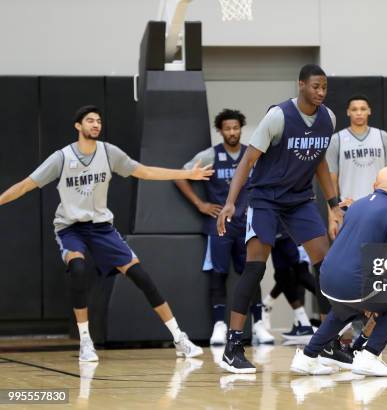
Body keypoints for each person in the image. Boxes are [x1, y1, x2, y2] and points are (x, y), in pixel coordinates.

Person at [0, 105, 212, 362]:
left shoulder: (109, 153)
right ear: (78, 126)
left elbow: (144, 171)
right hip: (71, 227)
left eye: (99, 121)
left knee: (142, 278)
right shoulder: (62, 158)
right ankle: (85, 342)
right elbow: (25, 185)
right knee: (78, 269)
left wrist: (187, 173)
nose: (96, 125)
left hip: (101, 228)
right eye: (90, 121)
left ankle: (180, 338)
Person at [216, 64, 348, 374]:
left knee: (325, 265)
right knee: (256, 267)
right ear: (301, 85)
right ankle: (233, 346)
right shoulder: (278, 116)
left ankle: (328, 342)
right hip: (265, 199)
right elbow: (248, 161)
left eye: (325, 87)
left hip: (300, 200)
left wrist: (333, 204)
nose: (321, 92)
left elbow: (320, 165)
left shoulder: (327, 119)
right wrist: (230, 203)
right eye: (315, 86)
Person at [290, 168, 387, 376]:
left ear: (374, 186)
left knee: (342, 310)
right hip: (355, 283)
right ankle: (370, 355)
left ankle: (308, 356)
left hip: (327, 279)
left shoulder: (356, 207)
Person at [174, 108, 274, 346]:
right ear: (220, 131)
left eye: (236, 128)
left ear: (241, 129)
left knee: (253, 272)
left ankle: (258, 324)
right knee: (218, 273)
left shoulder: (251, 154)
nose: (232, 132)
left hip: (247, 224)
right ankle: (220, 325)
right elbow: (180, 175)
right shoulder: (211, 155)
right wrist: (200, 204)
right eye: (227, 128)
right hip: (219, 224)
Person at [325, 93, 387, 344]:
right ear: (348, 113)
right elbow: (330, 180)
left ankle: (381, 326)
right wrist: (333, 214)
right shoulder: (337, 140)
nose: (359, 112)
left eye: (363, 108)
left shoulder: (382, 136)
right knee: (353, 271)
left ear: (370, 111)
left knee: (383, 271)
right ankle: (349, 329)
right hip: (352, 212)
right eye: (355, 109)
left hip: (381, 211)